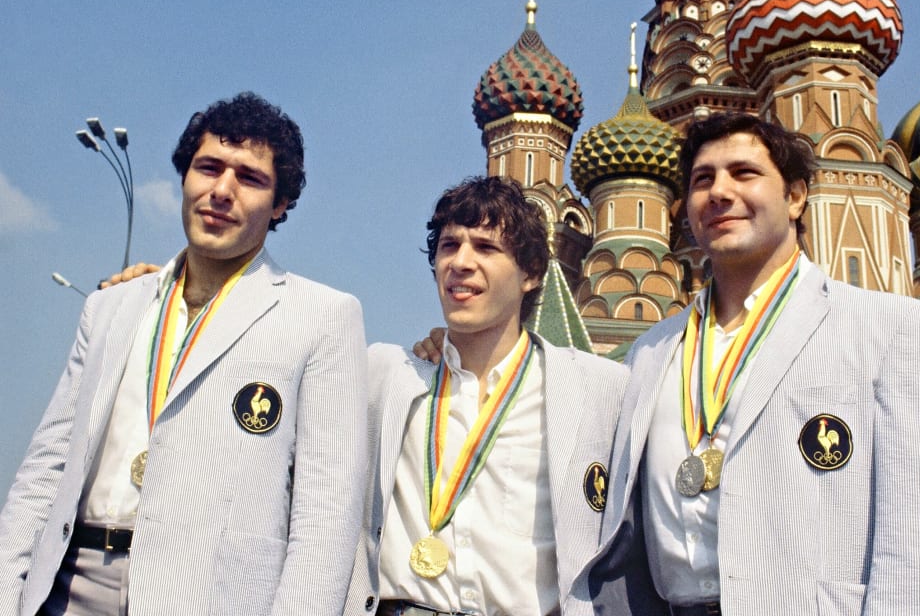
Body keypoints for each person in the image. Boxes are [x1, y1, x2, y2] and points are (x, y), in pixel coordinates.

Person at [577, 112, 920, 614]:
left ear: (795, 196)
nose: (720, 192)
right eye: (703, 179)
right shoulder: (653, 351)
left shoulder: (893, 329)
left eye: (744, 173)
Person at [0, 92, 368, 615]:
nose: (222, 190)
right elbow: (46, 468)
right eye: (209, 167)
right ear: (185, 177)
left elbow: (325, 519)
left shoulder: (323, 316)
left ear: (281, 203)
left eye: (250, 177)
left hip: (206, 597)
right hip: (67, 585)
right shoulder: (110, 308)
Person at [345, 176, 629, 616]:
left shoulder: (596, 387)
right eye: (449, 245)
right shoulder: (387, 374)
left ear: (531, 274)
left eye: (486, 247)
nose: (461, 262)